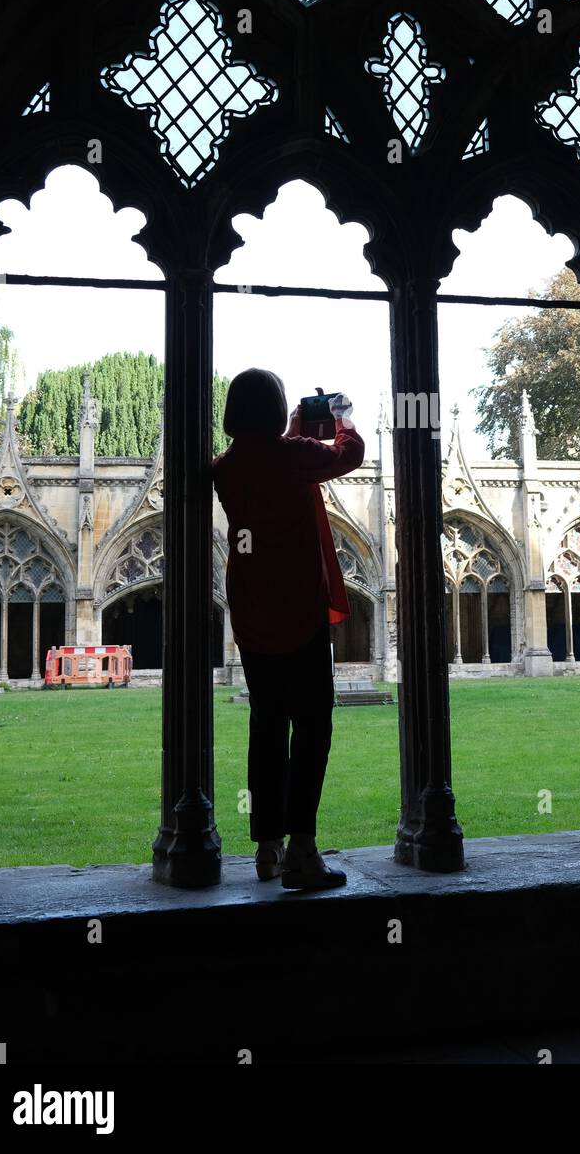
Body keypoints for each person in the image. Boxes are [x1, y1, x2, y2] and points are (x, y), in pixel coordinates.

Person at [211, 369, 364, 891]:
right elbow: (349, 455)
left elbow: (267, 461)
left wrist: (297, 429)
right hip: (299, 615)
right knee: (313, 729)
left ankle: (268, 848)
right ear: (278, 408)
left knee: (267, 727)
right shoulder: (294, 457)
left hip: (253, 619)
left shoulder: (225, 468)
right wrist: (340, 418)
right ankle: (303, 848)